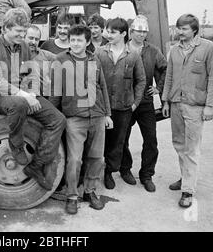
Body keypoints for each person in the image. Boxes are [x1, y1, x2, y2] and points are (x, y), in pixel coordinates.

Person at [0, 8, 66, 190]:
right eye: (18, 31)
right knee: (19, 103)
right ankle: (16, 145)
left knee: (58, 120)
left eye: (24, 31)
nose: (22, 35)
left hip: (24, 94)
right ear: (5, 29)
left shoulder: (24, 47)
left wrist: (34, 94)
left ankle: (36, 166)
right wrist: (25, 96)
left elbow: (32, 74)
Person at [50, 24, 113, 215]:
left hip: (97, 116)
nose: (75, 43)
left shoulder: (95, 59)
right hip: (74, 118)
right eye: (73, 40)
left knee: (96, 158)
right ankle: (71, 196)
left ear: (87, 42)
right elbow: (55, 91)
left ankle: (90, 191)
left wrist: (107, 114)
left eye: (79, 40)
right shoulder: (60, 60)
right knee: (74, 160)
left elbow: (102, 86)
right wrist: (52, 115)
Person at [162, 14, 213, 208]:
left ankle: (188, 190)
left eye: (184, 29)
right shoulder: (175, 50)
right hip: (176, 104)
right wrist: (165, 102)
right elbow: (169, 76)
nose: (180, 32)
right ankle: (185, 177)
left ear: (194, 30)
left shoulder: (207, 48)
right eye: (178, 28)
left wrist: (210, 106)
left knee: (192, 148)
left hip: (195, 107)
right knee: (179, 144)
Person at [95, 17, 146, 190]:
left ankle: (109, 172)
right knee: (100, 141)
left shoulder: (133, 55)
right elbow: (93, 80)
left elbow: (141, 80)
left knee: (118, 142)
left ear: (124, 34)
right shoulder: (100, 53)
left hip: (124, 107)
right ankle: (97, 172)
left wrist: (135, 103)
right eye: (107, 31)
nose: (108, 35)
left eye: (113, 32)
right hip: (102, 107)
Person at [119, 15, 167, 192]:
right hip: (126, 102)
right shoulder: (122, 49)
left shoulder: (153, 51)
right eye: (138, 31)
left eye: (144, 32)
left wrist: (158, 88)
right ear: (131, 31)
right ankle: (125, 169)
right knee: (122, 138)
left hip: (145, 102)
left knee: (151, 140)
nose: (141, 35)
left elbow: (165, 69)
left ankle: (146, 174)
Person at [24, 24, 56, 96]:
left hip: (44, 98)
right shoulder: (15, 56)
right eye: (31, 38)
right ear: (23, 37)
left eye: (36, 39)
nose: (33, 42)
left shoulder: (46, 56)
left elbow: (63, 59)